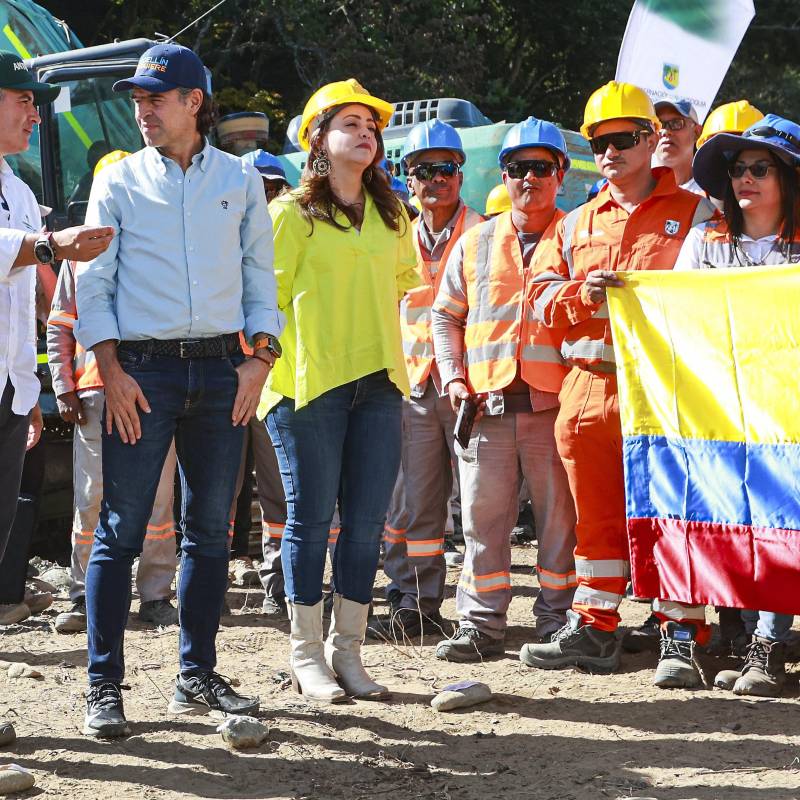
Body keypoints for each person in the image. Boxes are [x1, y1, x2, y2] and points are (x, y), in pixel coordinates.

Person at [74, 43, 283, 737]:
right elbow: (93, 283)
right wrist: (110, 368)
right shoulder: (118, 181)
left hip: (223, 372)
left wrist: (260, 359)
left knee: (211, 536)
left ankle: (196, 677)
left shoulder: (240, 179)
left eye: (154, 98)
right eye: (136, 100)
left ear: (194, 102)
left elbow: (261, 279)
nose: (141, 111)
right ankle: (104, 688)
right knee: (120, 532)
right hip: (143, 374)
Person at [523, 82, 716, 688]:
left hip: (668, 392)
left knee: (674, 515)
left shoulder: (697, 212)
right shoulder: (574, 222)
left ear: (652, 139)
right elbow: (538, 296)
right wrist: (581, 292)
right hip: (588, 391)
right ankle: (596, 626)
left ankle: (681, 633)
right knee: (596, 521)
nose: (609, 151)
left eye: (623, 139)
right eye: (598, 141)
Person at [259, 78, 418, 702]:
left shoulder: (392, 214)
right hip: (307, 388)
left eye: (372, 126)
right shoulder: (289, 215)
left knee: (366, 525)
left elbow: (404, 288)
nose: (366, 133)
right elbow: (263, 302)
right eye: (350, 123)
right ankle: (305, 655)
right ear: (318, 140)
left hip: (378, 384)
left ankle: (346, 652)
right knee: (309, 520)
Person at [431, 117, 578, 661]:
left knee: (559, 525)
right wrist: (452, 376)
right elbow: (444, 318)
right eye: (518, 168)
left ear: (560, 173)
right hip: (487, 410)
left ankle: (557, 622)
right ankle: (480, 624)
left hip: (553, 408)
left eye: (541, 167)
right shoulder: (475, 243)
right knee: (481, 524)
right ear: (504, 175)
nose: (529, 179)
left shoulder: (576, 236)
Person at [0, 49, 114, 746]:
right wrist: (50, 245)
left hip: (7, 395)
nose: (33, 113)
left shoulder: (12, 184)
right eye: (22, 99)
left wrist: (29, 391)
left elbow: (19, 305)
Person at [673, 114, 800, 697]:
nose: (744, 178)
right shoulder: (704, 241)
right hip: (719, 411)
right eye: (737, 168)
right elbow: (673, 311)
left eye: (760, 167)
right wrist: (625, 295)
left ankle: (767, 649)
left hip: (788, 414)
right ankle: (744, 636)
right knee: (732, 521)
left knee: (782, 526)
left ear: (788, 177)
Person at [48, 151, 179, 633]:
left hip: (152, 395)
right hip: (95, 395)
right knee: (92, 497)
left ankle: (155, 594)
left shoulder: (157, 250)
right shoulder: (79, 256)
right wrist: (64, 385)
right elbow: (60, 324)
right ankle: (85, 595)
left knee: (158, 499)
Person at [369, 119, 483, 641]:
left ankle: (480, 616)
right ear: (406, 177)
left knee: (481, 509)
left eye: (445, 169)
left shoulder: (485, 235)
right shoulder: (392, 239)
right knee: (415, 505)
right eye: (422, 170)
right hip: (411, 386)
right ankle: (414, 601)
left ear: (461, 175)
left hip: (471, 389)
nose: (434, 179)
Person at [653, 100, 703, 193]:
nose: (665, 131)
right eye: (658, 125)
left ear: (696, 132)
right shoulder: (635, 189)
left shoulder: (711, 193)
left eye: (676, 123)